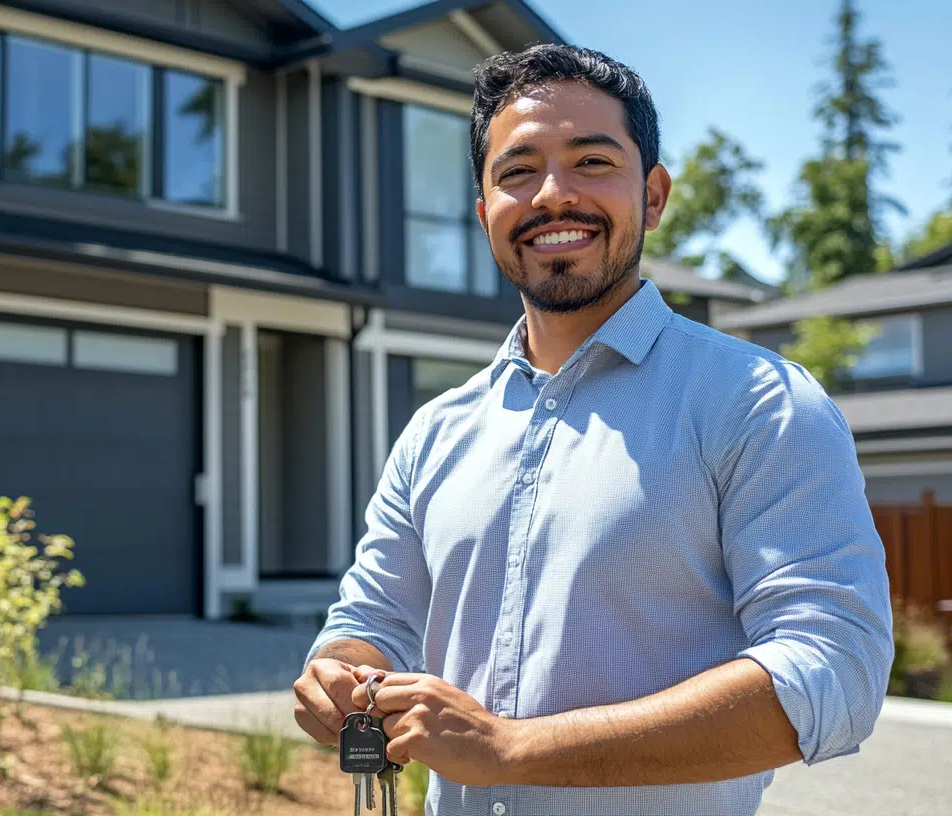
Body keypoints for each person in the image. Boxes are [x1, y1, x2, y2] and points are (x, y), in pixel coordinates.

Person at [294, 44, 894, 816]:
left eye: (592, 162)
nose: (553, 195)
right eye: (517, 172)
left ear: (653, 196)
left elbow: (831, 670)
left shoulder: (758, 403)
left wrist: (511, 750)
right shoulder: (435, 434)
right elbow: (371, 621)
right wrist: (338, 673)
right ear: (485, 213)